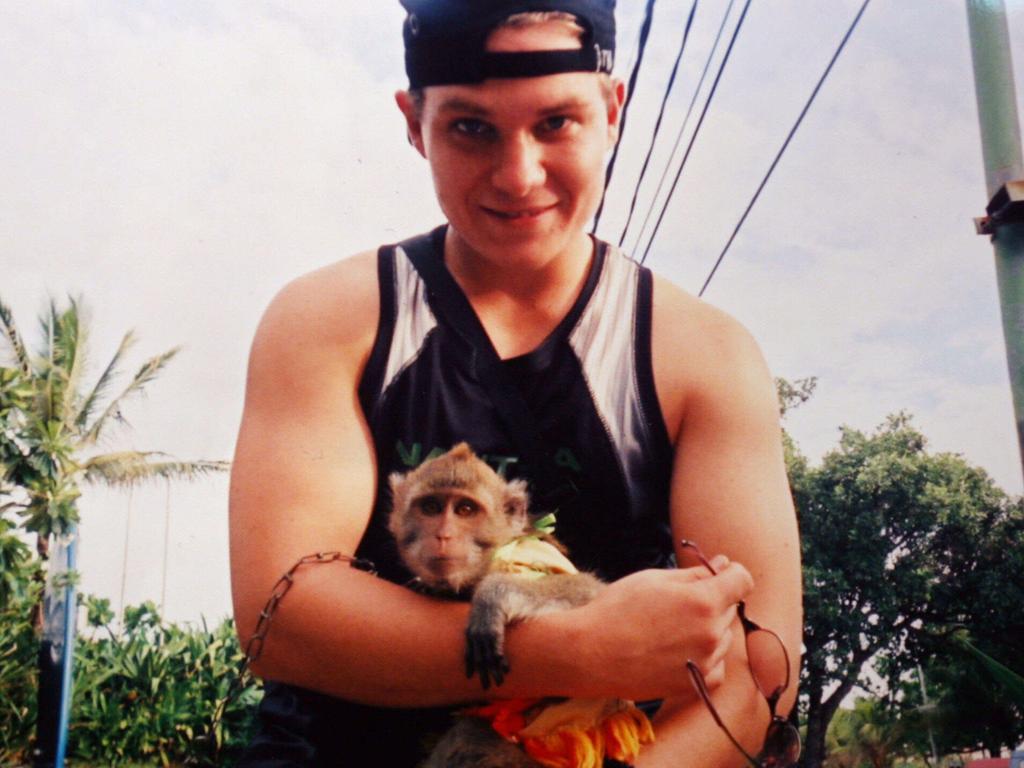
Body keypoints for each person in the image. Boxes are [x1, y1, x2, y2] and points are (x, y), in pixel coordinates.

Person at [229, 1, 802, 765]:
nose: (518, 174)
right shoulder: (336, 321)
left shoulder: (704, 355)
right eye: (471, 127)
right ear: (413, 122)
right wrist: (573, 647)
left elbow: (763, 671)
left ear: (611, 110)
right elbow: (281, 618)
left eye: (556, 123)